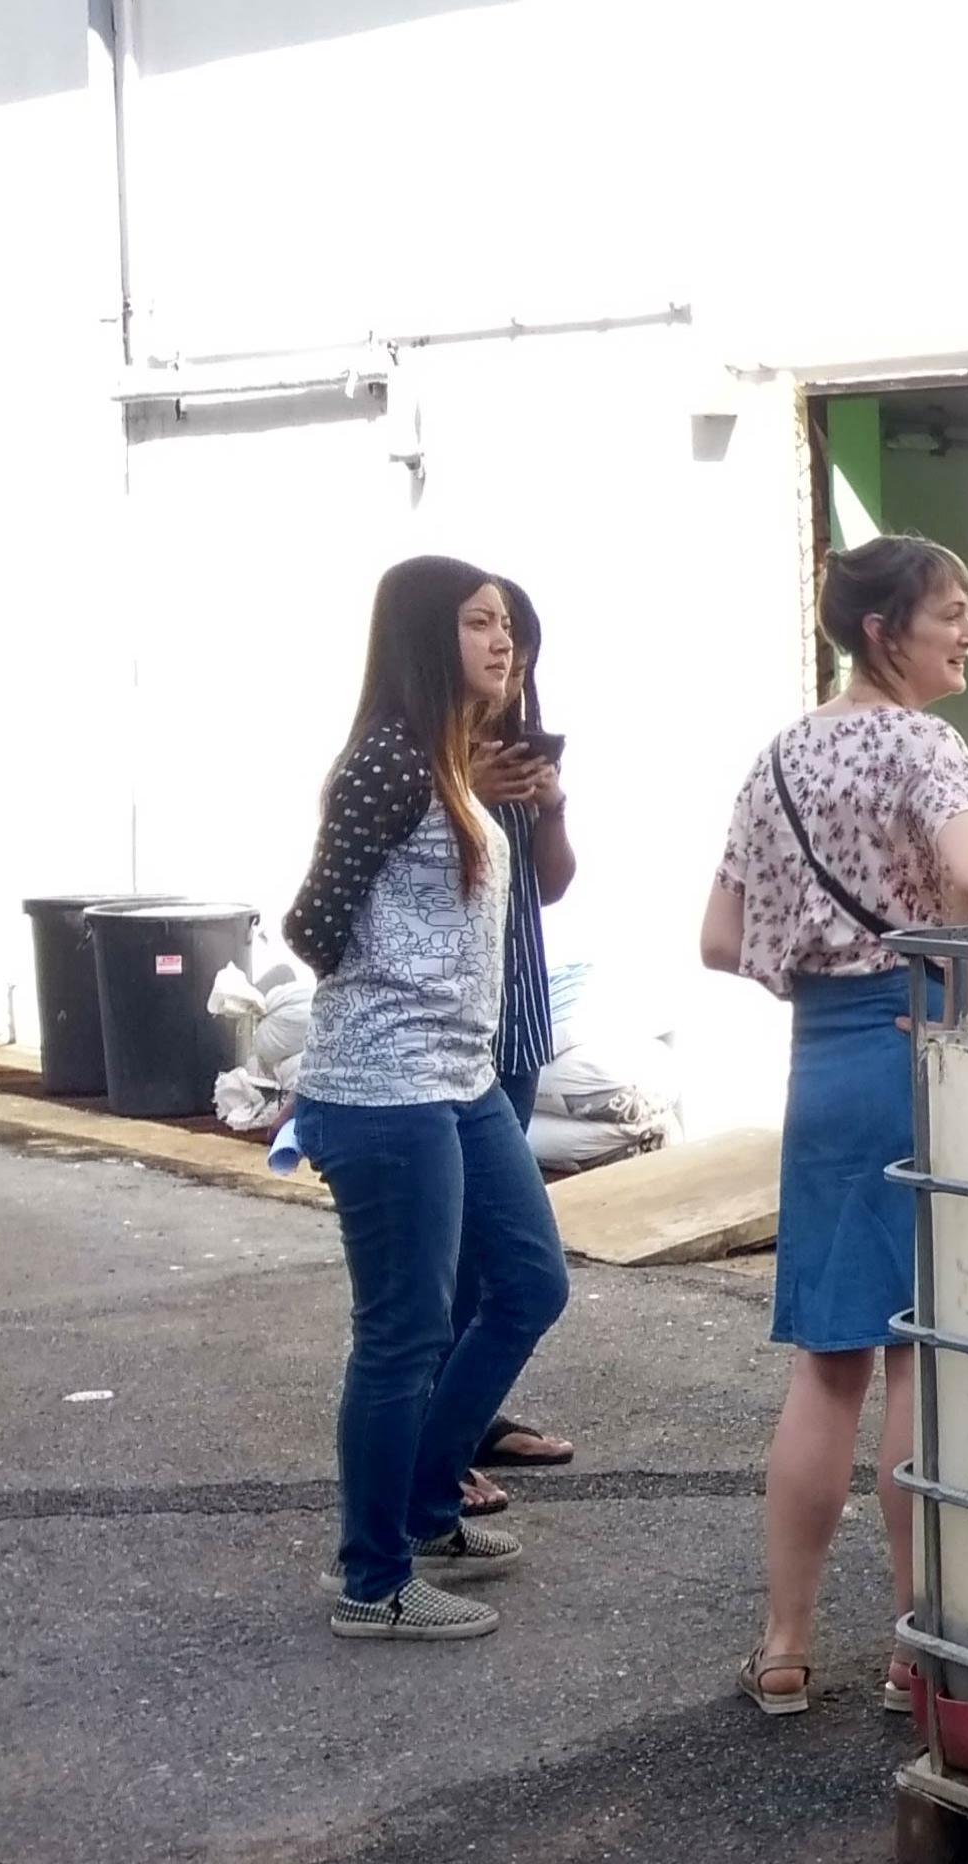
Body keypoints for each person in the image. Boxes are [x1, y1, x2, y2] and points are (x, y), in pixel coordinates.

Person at [700, 534, 968, 1716]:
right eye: (953, 615)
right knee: (917, 1348)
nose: (967, 634)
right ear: (888, 631)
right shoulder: (923, 742)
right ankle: (914, 1645)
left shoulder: (780, 754)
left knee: (826, 1364)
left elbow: (720, 938)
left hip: (818, 1059)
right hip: (910, 1041)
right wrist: (959, 1007)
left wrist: (817, 977)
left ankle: (782, 1644)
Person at [281, 555, 571, 1642]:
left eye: (504, 625)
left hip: (464, 1076)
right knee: (402, 1331)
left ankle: (428, 1506)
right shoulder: (390, 766)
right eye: (478, 624)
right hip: (385, 1086)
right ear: (422, 637)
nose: (502, 644)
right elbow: (310, 922)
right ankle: (371, 1576)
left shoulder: (451, 764)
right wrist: (395, 973)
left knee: (530, 1282)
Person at [458, 578, 582, 1520]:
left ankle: (473, 1415)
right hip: (446, 1044)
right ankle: (441, 1443)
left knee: (503, 1256)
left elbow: (551, 888)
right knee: (459, 1255)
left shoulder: (519, 752)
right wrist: (463, 790)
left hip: (520, 1021)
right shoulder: (414, 760)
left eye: (519, 641)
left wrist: (550, 809)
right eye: (489, 631)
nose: (508, 655)